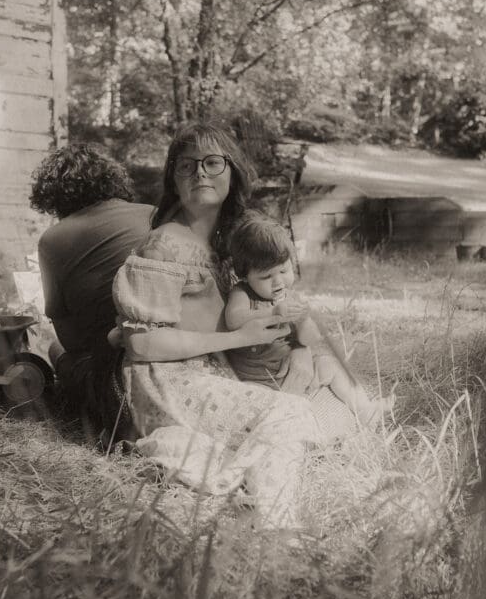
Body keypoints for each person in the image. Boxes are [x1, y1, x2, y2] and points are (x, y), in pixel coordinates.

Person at [111, 122, 359, 532]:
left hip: (227, 366)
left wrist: (299, 349)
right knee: (287, 412)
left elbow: (281, 302)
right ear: (174, 178)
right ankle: (275, 524)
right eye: (187, 166)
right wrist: (237, 338)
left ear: (233, 171)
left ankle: (257, 479)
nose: (200, 174)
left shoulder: (232, 241)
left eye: (212, 162)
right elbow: (141, 343)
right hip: (173, 380)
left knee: (333, 398)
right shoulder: (165, 243)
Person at [225, 211, 394, 424]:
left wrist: (303, 319)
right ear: (246, 277)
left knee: (331, 365)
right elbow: (233, 319)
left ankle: (365, 410)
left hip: (294, 374)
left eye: (284, 271)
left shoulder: (292, 299)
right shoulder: (242, 293)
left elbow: (309, 340)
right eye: (266, 276)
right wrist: (273, 312)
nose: (278, 282)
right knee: (255, 408)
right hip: (259, 381)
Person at [30, 145, 153, 427]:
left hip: (113, 376)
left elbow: (71, 339)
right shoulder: (153, 214)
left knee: (53, 347)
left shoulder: (53, 239)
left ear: (53, 196)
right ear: (113, 180)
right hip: (174, 352)